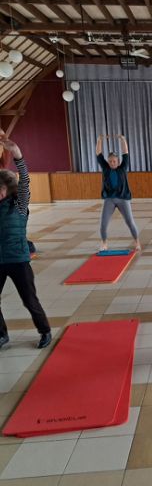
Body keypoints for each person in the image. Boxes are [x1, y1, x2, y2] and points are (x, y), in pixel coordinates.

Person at [0, 131, 52, 350]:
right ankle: (2, 335)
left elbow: (25, 182)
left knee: (29, 300)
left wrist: (17, 155)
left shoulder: (19, 205)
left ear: (7, 189)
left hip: (18, 260)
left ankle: (45, 331)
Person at [96, 134, 141, 251]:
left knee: (130, 222)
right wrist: (99, 140)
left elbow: (125, 153)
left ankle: (137, 241)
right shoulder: (105, 168)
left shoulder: (123, 167)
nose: (112, 163)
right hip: (109, 200)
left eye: (114, 161)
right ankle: (104, 243)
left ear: (118, 161)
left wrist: (123, 139)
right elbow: (99, 154)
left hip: (123, 199)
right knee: (103, 223)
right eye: (110, 161)